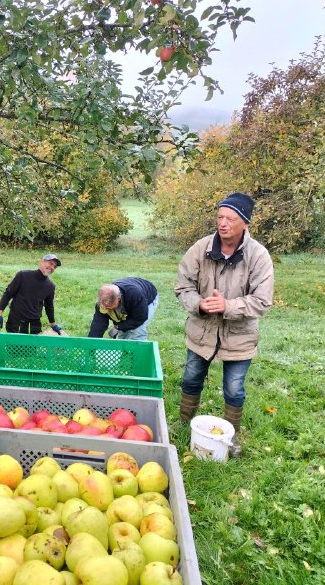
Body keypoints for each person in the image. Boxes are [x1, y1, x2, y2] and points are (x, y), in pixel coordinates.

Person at [175, 192, 274, 456]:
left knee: (234, 388)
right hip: (202, 331)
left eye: (231, 218)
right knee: (191, 378)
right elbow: (183, 286)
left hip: (239, 336)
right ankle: (184, 423)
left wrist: (227, 306)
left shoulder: (258, 256)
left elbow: (263, 301)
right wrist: (199, 303)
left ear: (245, 223)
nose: (223, 223)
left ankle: (230, 436)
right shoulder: (200, 248)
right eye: (220, 217)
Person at [0, 254, 63, 335]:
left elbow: (49, 307)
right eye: (51, 263)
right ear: (42, 262)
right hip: (16, 322)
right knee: (14, 347)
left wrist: (53, 325)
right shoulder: (23, 275)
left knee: (31, 347)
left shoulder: (50, 286)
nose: (52, 267)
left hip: (34, 325)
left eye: (55, 266)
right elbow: (8, 294)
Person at [88, 278, 159, 340]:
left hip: (147, 298)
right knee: (122, 337)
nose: (107, 308)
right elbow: (98, 324)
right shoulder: (101, 304)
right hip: (129, 301)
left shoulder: (134, 294)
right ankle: (124, 353)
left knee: (137, 332)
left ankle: (137, 354)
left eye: (110, 306)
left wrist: (118, 326)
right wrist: (91, 344)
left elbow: (140, 318)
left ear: (118, 298)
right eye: (105, 306)